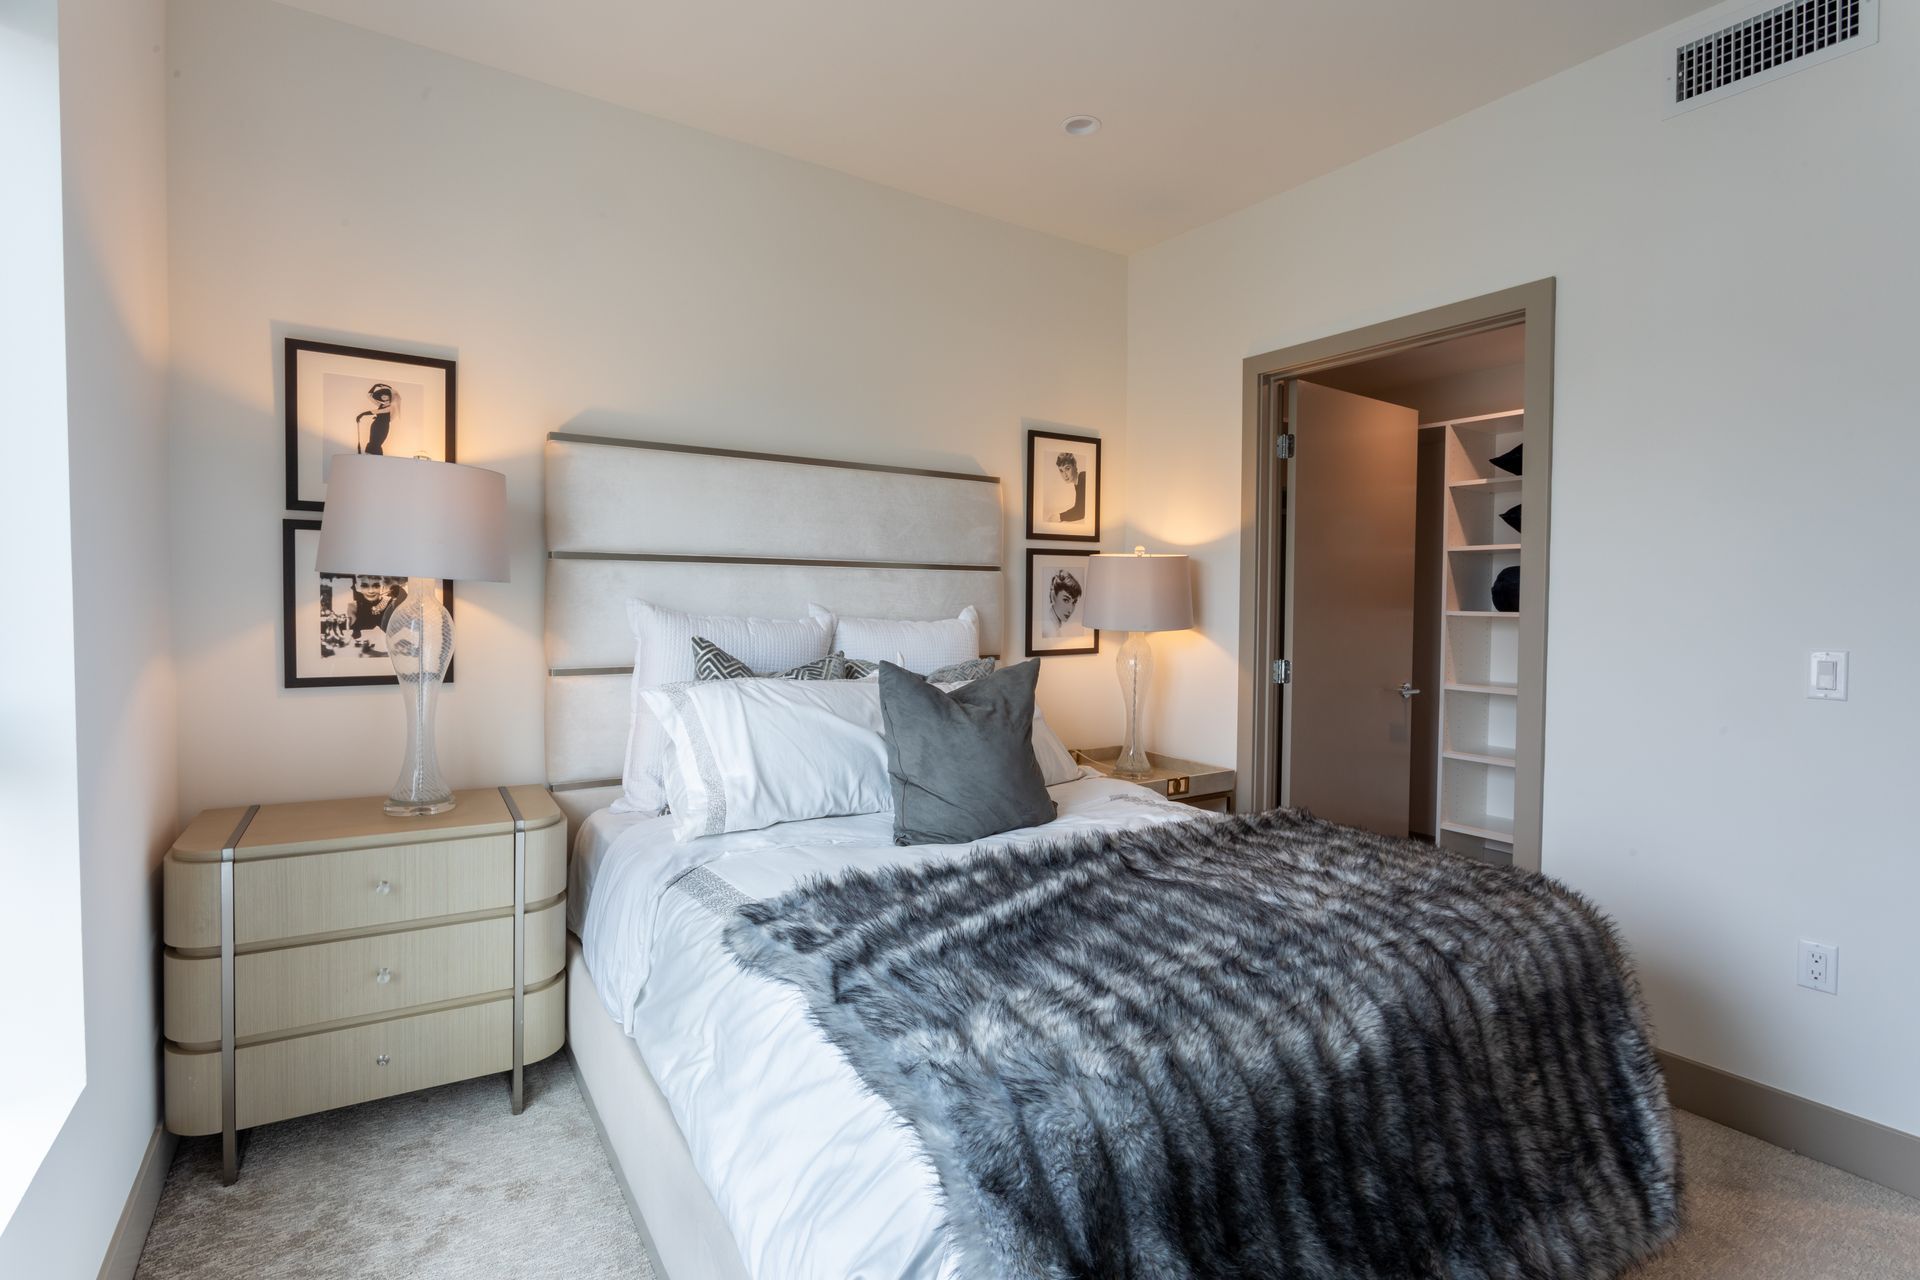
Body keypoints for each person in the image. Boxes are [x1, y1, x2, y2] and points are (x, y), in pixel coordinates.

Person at [356, 383, 400, 455]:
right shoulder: (381, 405)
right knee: (372, 442)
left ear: (389, 396)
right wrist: (375, 386)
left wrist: (362, 414)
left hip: (383, 427)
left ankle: (378, 460)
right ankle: (369, 457)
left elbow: (377, 412)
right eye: (382, 395)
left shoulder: (391, 407)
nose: (383, 396)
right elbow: (369, 396)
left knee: (377, 443)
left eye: (385, 394)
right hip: (375, 425)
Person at [1041, 569, 1084, 638]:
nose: (1070, 609)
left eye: (1074, 602)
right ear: (1053, 595)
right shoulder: (1049, 630)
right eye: (1066, 600)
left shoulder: (1055, 627)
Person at [1050, 451, 1087, 525]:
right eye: (1061, 471)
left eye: (1067, 468)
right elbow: (1079, 507)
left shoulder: (1083, 478)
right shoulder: (1078, 482)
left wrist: (1059, 516)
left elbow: (1080, 512)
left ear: (1075, 465)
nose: (1065, 475)